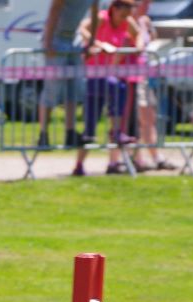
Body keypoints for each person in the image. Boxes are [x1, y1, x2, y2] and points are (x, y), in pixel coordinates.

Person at [72, 0, 139, 176]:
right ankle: (79, 165)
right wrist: (99, 45)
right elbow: (82, 28)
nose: (127, 15)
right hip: (93, 76)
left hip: (111, 76)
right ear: (115, 8)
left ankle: (116, 136)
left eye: (130, 11)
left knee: (118, 87)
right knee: (89, 129)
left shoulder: (127, 21)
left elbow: (138, 34)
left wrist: (138, 47)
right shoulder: (101, 18)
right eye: (125, 10)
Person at [37, 0, 99, 149]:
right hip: (57, 39)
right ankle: (43, 135)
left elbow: (95, 15)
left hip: (74, 39)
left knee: (74, 89)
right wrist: (48, 43)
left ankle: (70, 133)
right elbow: (54, 11)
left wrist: (90, 42)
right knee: (52, 89)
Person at [128, 0, 178, 171]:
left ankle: (155, 157)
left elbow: (152, 41)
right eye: (144, 2)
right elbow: (139, 46)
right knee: (135, 120)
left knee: (149, 117)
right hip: (129, 77)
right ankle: (137, 158)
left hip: (144, 76)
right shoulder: (127, 21)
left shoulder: (145, 21)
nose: (148, 5)